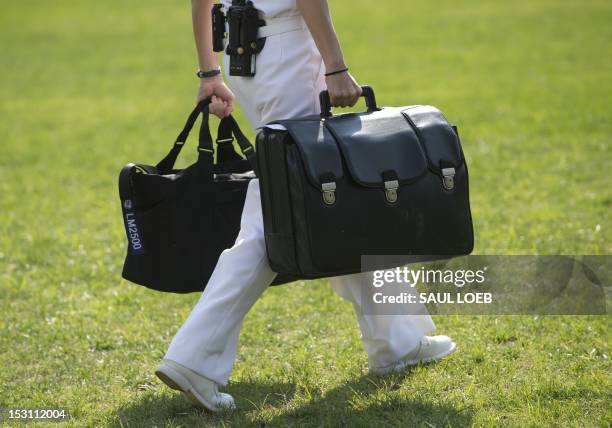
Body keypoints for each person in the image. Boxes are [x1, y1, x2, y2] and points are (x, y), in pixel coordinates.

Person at [155, 0, 456, 412]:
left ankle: (398, 340)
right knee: (284, 209)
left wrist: (209, 69)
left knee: (334, 195)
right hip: (287, 52)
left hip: (244, 56)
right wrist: (335, 65)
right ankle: (194, 358)